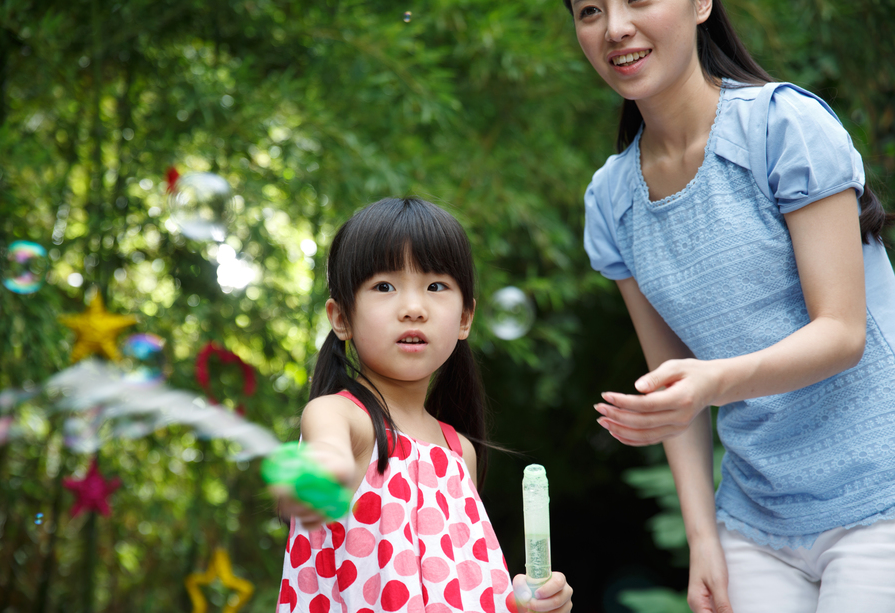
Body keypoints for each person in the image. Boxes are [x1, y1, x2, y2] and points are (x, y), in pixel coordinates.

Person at [565, 0, 895, 611]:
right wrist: (703, 539)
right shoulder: (611, 200)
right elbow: (675, 394)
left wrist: (710, 382)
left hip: (880, 495)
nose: (614, 27)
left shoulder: (782, 126)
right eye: (590, 10)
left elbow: (842, 332)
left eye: (638, 0)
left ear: (699, 5)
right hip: (755, 520)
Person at [273, 197, 573, 613]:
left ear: (466, 317)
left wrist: (528, 605)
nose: (413, 309)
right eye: (384, 286)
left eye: (436, 286)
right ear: (340, 317)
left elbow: (461, 587)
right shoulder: (339, 417)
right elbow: (327, 452)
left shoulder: (458, 452)